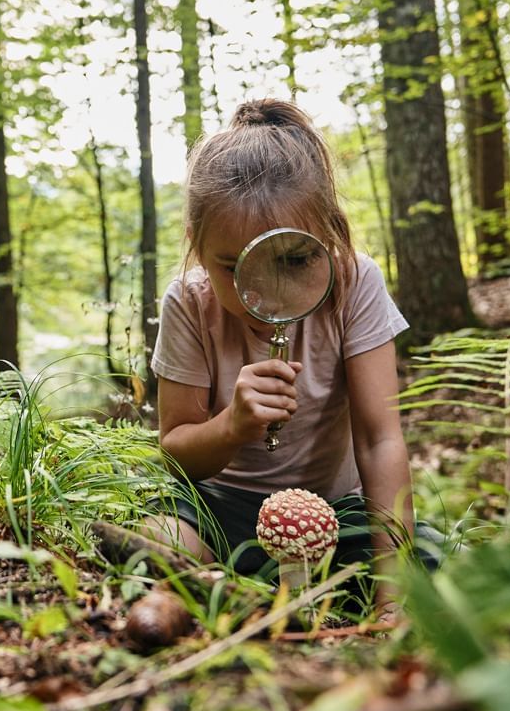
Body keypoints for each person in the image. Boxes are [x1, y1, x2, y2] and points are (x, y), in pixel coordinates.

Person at [146, 98, 421, 611]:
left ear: (330, 236)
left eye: (295, 260)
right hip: (220, 505)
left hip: (337, 510)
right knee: (160, 540)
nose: (266, 292)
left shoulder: (355, 282)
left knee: (419, 564)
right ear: (196, 246)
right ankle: (238, 591)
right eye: (233, 267)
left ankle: (236, 595)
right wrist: (231, 426)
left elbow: (381, 438)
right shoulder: (189, 301)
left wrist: (393, 599)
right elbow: (175, 449)